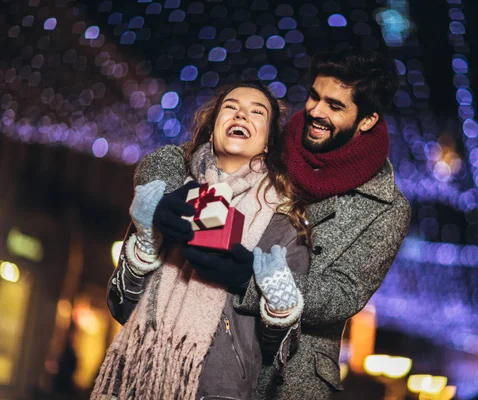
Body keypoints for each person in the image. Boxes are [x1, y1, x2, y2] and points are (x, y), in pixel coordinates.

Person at [209, 48, 412, 398]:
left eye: (335, 106)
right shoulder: (271, 145)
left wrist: (252, 280)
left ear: (367, 120)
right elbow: (195, 157)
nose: (316, 111)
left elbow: (343, 294)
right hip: (215, 336)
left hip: (292, 375)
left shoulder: (387, 207)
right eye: (315, 97)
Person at [91, 81, 310, 400]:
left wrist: (280, 303)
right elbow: (121, 306)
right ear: (212, 131)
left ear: (267, 143)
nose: (241, 115)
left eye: (256, 112)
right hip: (138, 385)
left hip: (216, 391)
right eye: (231, 107)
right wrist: (145, 243)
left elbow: (275, 357)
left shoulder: (283, 222)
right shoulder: (173, 198)